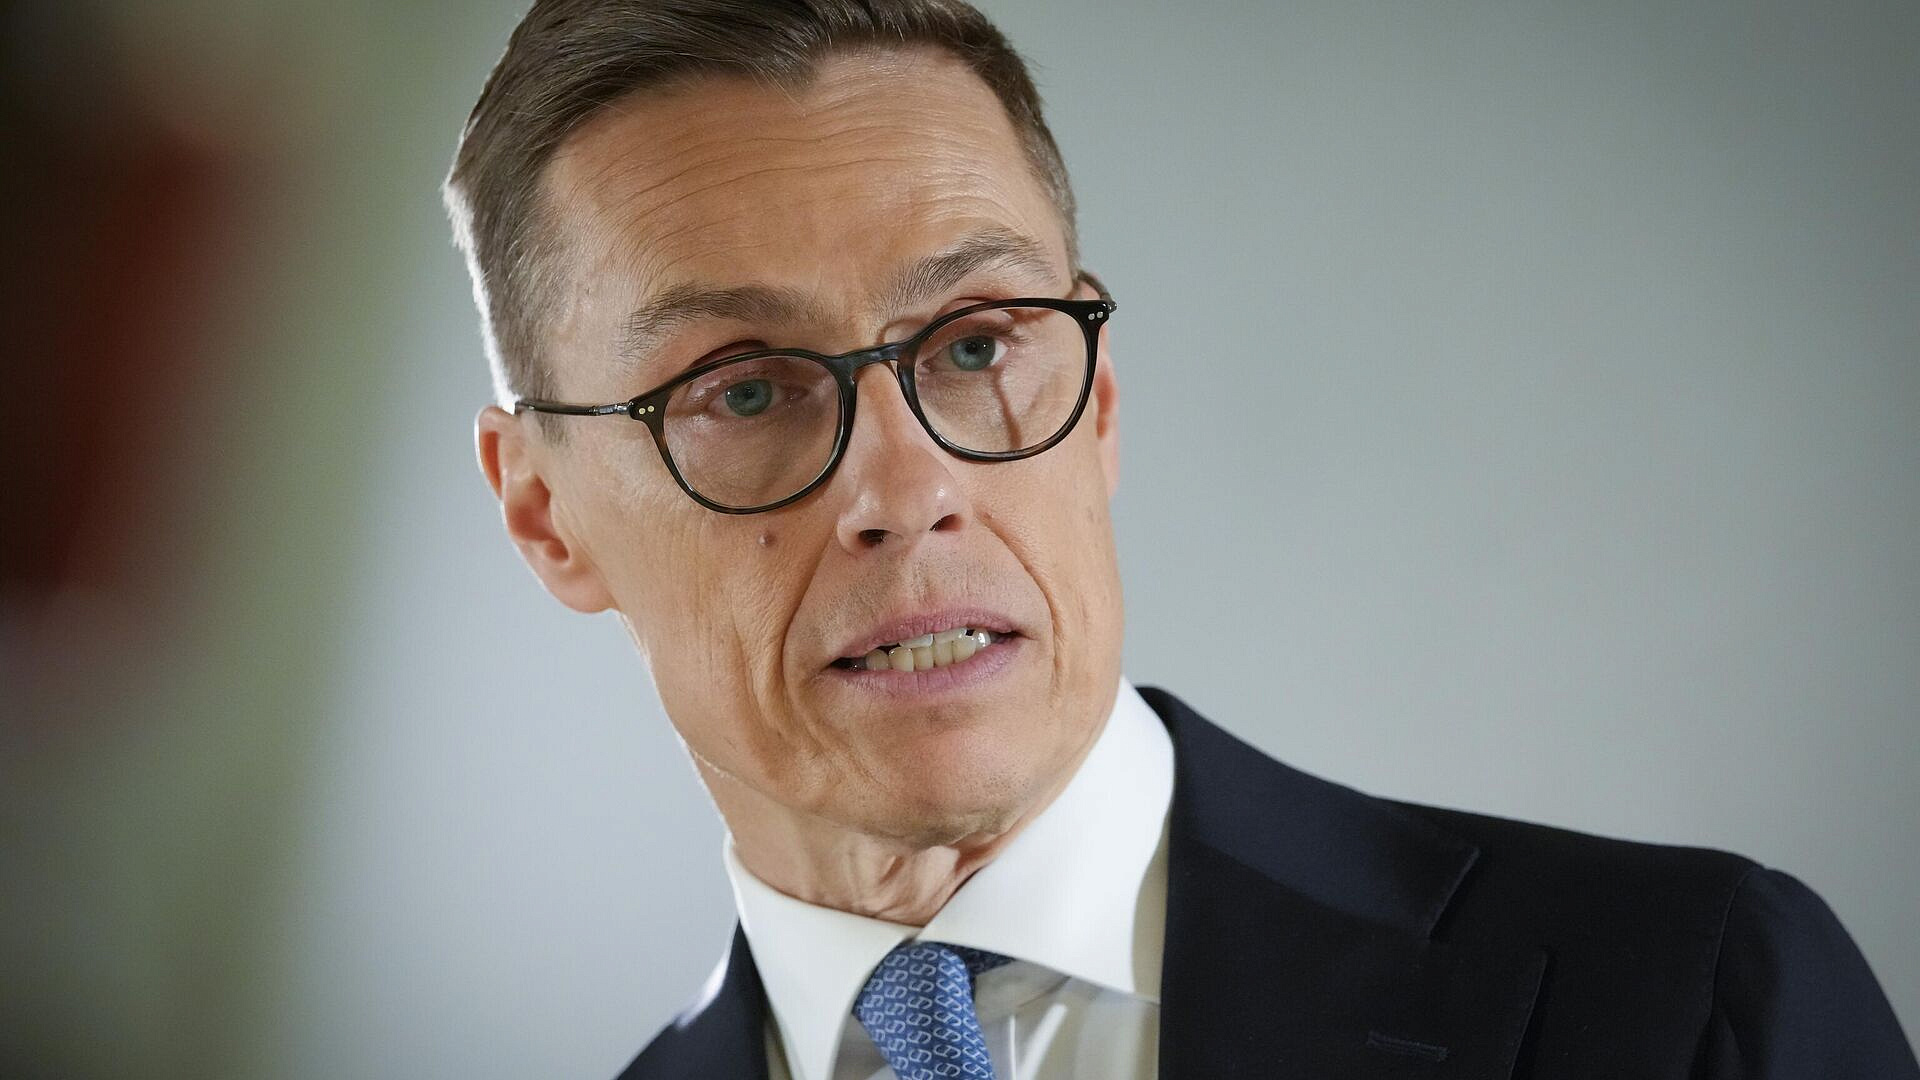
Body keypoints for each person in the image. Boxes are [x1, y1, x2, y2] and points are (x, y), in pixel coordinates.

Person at [443, 2, 1918, 1077]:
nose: (907, 488)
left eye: (975, 345)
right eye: (746, 391)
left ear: (1098, 404)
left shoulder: (1690, 1005)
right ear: (544, 514)